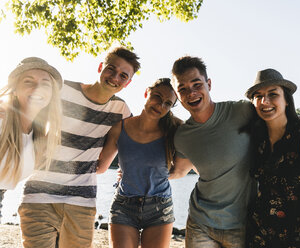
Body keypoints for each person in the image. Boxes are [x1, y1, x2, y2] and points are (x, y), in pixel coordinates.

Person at [168, 56, 300, 248]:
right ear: (177, 94)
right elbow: (179, 169)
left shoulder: (242, 111)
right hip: (215, 224)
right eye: (183, 89)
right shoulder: (183, 136)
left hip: (246, 224)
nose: (191, 93)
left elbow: (289, 118)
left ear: (208, 84)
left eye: (196, 84)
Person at [18, 47, 140, 248]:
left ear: (128, 82)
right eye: (111, 69)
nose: (115, 77)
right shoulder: (62, 89)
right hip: (39, 194)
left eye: (123, 75)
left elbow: (103, 165)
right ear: (101, 67)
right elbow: (31, 119)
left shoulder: (121, 111)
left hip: (81, 202)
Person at [245, 69, 300, 247]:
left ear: (286, 100)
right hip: (260, 237)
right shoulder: (256, 139)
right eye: (258, 96)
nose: (264, 101)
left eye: (273, 94)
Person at [97, 78, 182, 248]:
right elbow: (100, 167)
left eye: (167, 103)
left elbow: (180, 171)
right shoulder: (119, 128)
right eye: (157, 96)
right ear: (146, 93)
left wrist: (153, 174)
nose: (160, 105)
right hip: (124, 206)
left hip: (160, 207)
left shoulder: (175, 130)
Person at [0, 57, 62, 222]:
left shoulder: (42, 137)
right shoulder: (2, 120)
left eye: (45, 83)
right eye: (28, 81)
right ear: (14, 89)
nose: (37, 88)